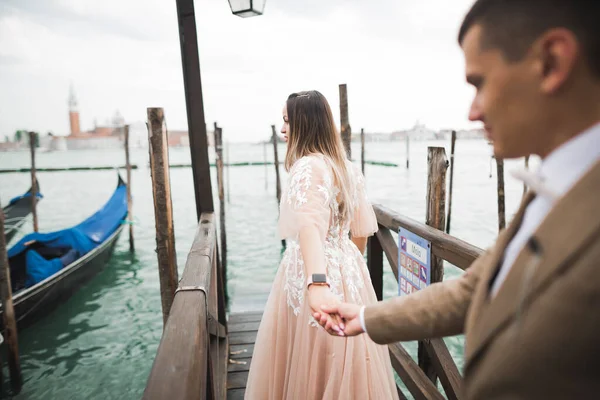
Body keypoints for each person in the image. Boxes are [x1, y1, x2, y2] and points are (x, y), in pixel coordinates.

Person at [316, 0, 600, 398]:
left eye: (479, 82)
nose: (472, 112)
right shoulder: (555, 182)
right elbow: (476, 290)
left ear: (552, 62)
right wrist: (365, 315)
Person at [244, 91, 398, 399]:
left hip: (316, 272)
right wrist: (346, 267)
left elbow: (309, 227)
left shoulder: (307, 167)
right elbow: (361, 230)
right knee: (347, 357)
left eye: (287, 121)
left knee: (310, 354)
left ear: (305, 123)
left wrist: (317, 281)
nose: (282, 129)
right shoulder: (349, 168)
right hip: (348, 266)